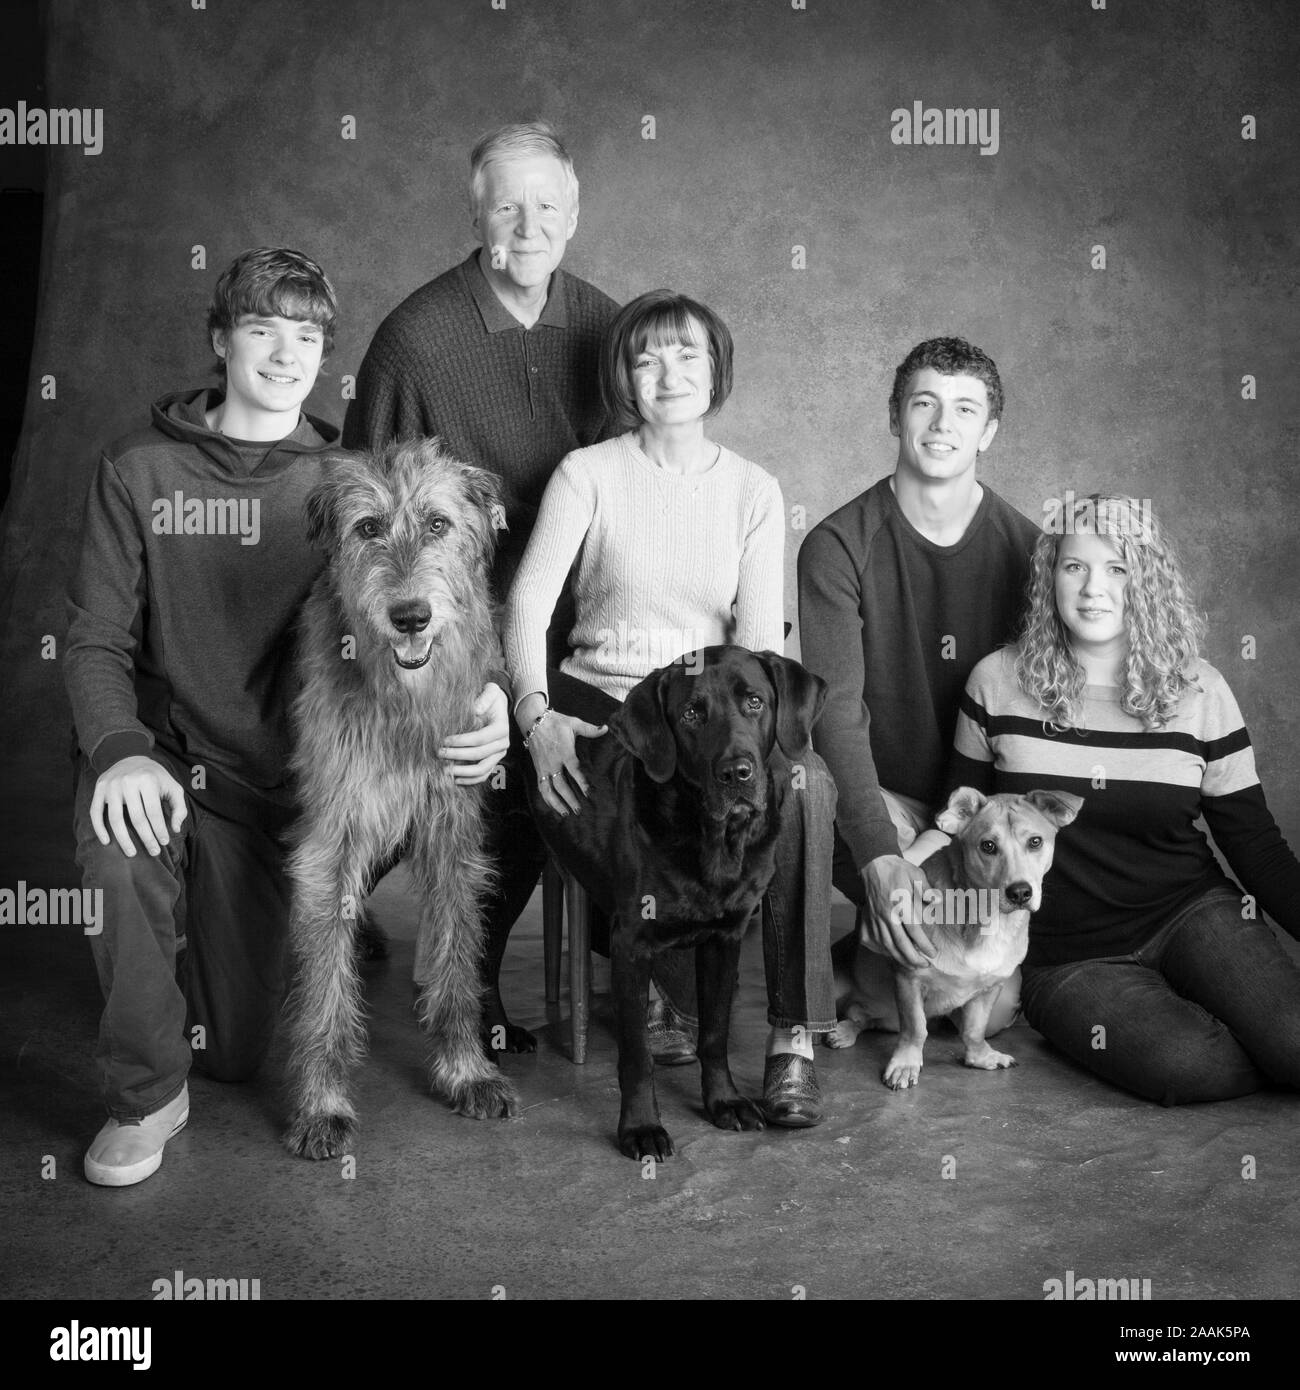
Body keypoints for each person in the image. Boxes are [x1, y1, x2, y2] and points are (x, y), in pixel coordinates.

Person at [506, 289, 838, 1125]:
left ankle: (791, 1038)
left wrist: (758, 736)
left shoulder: (754, 490)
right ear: (623, 375)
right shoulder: (589, 473)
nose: (668, 372)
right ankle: (646, 987)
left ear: (717, 369)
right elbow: (528, 606)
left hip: (712, 708)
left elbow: (763, 645)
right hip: (608, 704)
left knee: (807, 789)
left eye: (687, 353)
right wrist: (537, 715)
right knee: (624, 838)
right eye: (647, 356)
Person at [64, 247, 349, 1185]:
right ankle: (146, 1095)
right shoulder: (137, 467)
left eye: (305, 336)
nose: (283, 354)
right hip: (165, 763)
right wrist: (118, 751)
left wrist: (475, 701)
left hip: (271, 791)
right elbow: (96, 637)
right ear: (221, 340)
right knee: (115, 843)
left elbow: (399, 623)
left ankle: (188, 949)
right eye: (262, 330)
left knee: (233, 1049)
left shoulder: (345, 483)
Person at [344, 120, 619, 1046]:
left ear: (574, 213)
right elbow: (365, 522)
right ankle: (459, 978)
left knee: (592, 745)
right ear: (477, 215)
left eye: (548, 204)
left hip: (580, 625)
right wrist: (495, 675)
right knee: (495, 751)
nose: (529, 224)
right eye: (508, 205)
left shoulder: (606, 327)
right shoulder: (415, 341)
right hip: (445, 623)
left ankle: (638, 966)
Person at [950, 494, 1300, 1103]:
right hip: (1069, 956)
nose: (1094, 588)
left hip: (1192, 912)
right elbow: (961, 832)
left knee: (1294, 1042)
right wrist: (903, 898)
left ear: (1147, 582)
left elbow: (1256, 846)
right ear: (1048, 581)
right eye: (1074, 567)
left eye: (1117, 569)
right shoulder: (995, 682)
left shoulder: (1200, 691)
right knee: (1189, 1066)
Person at [797, 337, 1039, 1022]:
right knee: (801, 795)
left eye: (966, 409)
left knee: (991, 1014)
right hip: (883, 801)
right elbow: (835, 711)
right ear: (894, 415)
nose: (942, 425)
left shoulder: (1030, 551)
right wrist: (879, 852)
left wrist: (981, 834)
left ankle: (871, 962)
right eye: (924, 403)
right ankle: (808, 1013)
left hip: (987, 815)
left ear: (988, 430)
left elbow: (1040, 711)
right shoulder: (837, 544)